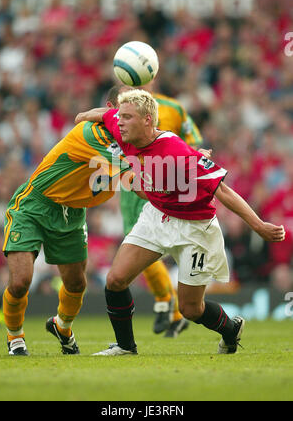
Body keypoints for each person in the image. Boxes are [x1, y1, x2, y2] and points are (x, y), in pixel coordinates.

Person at [76, 89, 285, 356]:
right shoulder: (121, 127)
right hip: (157, 216)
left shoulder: (175, 150)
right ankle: (126, 347)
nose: (120, 122)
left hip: (194, 227)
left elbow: (223, 191)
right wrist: (82, 116)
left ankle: (231, 330)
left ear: (148, 120)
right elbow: (103, 115)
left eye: (127, 117)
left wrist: (258, 225)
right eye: (121, 116)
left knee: (190, 309)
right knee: (115, 280)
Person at [2, 117, 133, 356]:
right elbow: (132, 168)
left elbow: (139, 180)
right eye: (123, 115)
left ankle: (62, 327)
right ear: (112, 115)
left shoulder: (133, 146)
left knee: (76, 283)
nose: (126, 122)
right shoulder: (92, 133)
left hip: (72, 212)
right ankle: (15, 337)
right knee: (20, 281)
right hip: (35, 206)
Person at [106, 83, 204, 337]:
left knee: (143, 242)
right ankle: (167, 302)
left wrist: (190, 157)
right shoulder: (122, 106)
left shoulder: (172, 107)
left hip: (157, 180)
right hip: (132, 181)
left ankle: (167, 301)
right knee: (138, 241)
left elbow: (193, 140)